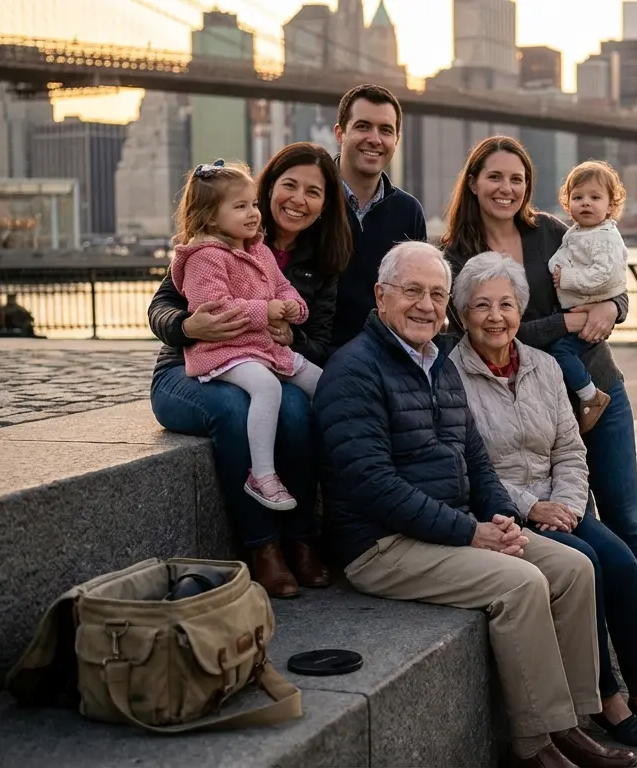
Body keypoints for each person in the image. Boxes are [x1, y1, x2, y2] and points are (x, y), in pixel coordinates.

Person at [312, 241, 637, 768]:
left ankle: (572, 722)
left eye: (436, 294)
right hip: (382, 544)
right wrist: (470, 533)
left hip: (451, 526)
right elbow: (373, 485)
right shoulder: (354, 371)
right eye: (412, 291)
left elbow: (475, 460)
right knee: (523, 583)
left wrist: (500, 519)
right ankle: (535, 745)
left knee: (575, 567)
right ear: (381, 296)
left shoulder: (437, 362)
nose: (425, 304)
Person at [439, 135, 637, 689]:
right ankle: (599, 665)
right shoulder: (455, 255)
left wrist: (611, 307)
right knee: (583, 525)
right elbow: (486, 331)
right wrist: (567, 325)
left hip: (599, 388)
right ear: (473, 182)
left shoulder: (553, 230)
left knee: (627, 520)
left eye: (517, 178)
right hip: (534, 408)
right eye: (494, 177)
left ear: (529, 186)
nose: (506, 188)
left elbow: (609, 285)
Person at [449, 252, 637, 749]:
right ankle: (604, 698)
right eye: (481, 306)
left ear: (521, 309)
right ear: (461, 314)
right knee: (587, 565)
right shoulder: (451, 377)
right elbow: (469, 467)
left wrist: (568, 504)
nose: (496, 317)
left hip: (562, 504)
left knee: (623, 563)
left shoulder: (542, 365)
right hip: (504, 509)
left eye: (507, 304)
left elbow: (570, 448)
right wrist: (530, 507)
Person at [149, 142, 353, 599]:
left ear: (326, 205)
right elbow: (162, 308)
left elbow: (316, 338)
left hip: (269, 359)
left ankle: (301, 536)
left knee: (299, 409)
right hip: (190, 368)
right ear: (269, 187)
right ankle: (262, 546)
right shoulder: (207, 249)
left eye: (314, 192)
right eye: (289, 186)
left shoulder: (317, 261)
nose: (298, 199)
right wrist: (186, 324)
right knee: (233, 406)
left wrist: (291, 332)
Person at [167, 159, 322, 511]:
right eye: (240, 207)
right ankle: (262, 475)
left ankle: (340, 454)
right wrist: (263, 311)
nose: (253, 213)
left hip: (265, 347)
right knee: (265, 387)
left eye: (253, 204)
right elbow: (213, 307)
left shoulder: (258, 250)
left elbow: (284, 287)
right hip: (225, 351)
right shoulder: (203, 257)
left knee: (323, 383)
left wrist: (295, 308)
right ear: (209, 217)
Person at [328, 84, 429, 348]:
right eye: (363, 126)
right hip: (310, 356)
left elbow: (419, 295)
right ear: (340, 133)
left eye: (385, 130)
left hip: (386, 358)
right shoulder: (312, 200)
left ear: (396, 139)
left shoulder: (409, 211)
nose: (375, 139)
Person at [545, 160, 632, 432]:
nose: (585, 203)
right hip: (576, 312)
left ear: (610, 205)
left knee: (561, 351)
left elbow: (604, 275)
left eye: (595, 198)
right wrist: (554, 267)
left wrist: (565, 278)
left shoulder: (604, 237)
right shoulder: (575, 233)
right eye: (578, 197)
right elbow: (562, 256)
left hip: (583, 318)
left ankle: (590, 396)